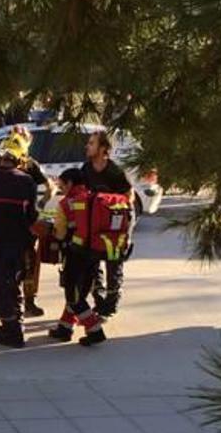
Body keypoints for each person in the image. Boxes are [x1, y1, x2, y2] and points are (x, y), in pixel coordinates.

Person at [0, 137, 38, 348]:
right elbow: (32, 215)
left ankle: (12, 329)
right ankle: (14, 324)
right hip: (19, 240)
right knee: (14, 281)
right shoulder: (26, 181)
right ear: (20, 159)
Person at [47, 168, 107, 346]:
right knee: (78, 293)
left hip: (75, 255)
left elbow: (60, 233)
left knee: (74, 296)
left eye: (62, 185)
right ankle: (64, 328)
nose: (61, 189)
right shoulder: (93, 199)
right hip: (93, 255)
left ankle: (95, 331)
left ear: (70, 183)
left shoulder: (66, 204)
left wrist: (52, 231)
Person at [81, 131, 133, 318]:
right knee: (92, 266)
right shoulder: (86, 169)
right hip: (92, 230)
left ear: (103, 148)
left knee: (113, 267)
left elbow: (129, 197)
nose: (87, 146)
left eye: (91, 143)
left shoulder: (114, 171)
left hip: (112, 232)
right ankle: (99, 301)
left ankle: (110, 305)